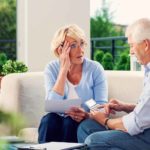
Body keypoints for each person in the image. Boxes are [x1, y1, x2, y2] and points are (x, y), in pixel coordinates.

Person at [77, 18, 150, 150]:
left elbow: (135, 123)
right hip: (143, 128)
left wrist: (105, 121)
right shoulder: (148, 70)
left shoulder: (94, 68)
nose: (131, 52)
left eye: (132, 45)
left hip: (146, 135)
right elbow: (147, 111)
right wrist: (125, 107)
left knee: (92, 140)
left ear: (146, 45)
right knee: (86, 128)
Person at [38, 24, 108, 143]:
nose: (80, 50)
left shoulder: (94, 69)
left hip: (84, 120)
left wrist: (87, 114)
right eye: (73, 45)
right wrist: (63, 70)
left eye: (81, 43)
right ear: (60, 50)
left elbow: (101, 107)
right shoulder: (52, 68)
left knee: (69, 122)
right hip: (57, 120)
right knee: (48, 120)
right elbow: (51, 104)